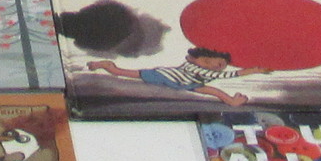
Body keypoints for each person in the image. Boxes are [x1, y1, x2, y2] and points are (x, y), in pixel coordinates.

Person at [83, 45, 248, 104]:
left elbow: (223, 74)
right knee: (123, 73)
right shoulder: (196, 68)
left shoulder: (204, 70)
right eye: (207, 61)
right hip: (165, 76)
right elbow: (226, 75)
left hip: (188, 83)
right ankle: (105, 65)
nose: (215, 65)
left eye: (221, 64)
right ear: (192, 59)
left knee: (214, 91)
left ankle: (231, 101)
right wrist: (252, 70)